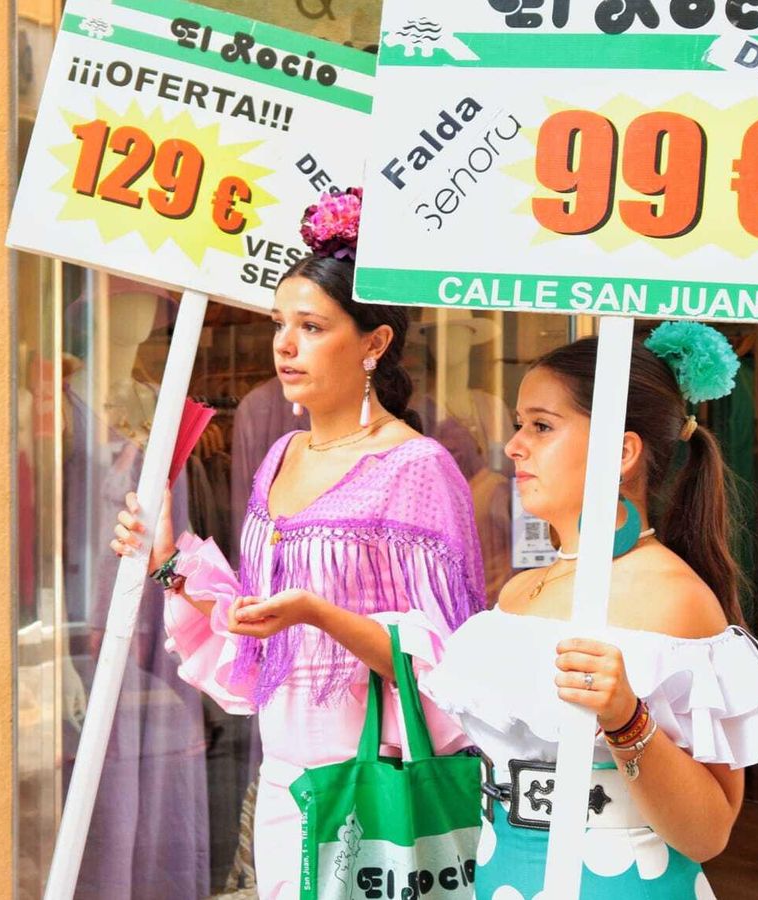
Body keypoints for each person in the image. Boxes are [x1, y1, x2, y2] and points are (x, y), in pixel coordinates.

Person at [110, 189, 488, 899]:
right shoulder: (281, 453)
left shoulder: (415, 468)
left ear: (375, 343)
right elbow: (257, 626)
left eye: (311, 326)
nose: (284, 344)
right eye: (280, 323)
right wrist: (167, 562)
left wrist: (318, 614)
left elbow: (446, 663)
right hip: (283, 778)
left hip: (375, 788)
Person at [424, 324, 758, 898]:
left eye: (542, 426)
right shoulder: (520, 593)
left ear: (621, 451)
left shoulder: (676, 600)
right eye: (520, 424)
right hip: (500, 875)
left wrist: (627, 718)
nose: (514, 445)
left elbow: (708, 833)